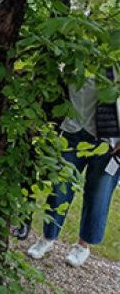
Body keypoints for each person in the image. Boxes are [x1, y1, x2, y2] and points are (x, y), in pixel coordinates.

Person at [27, 69, 119, 267]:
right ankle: (48, 237)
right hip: (72, 132)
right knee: (60, 188)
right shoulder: (71, 58)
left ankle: (82, 245)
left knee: (98, 195)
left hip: (106, 139)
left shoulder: (112, 59)